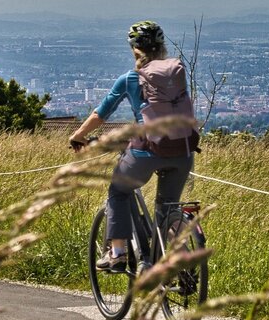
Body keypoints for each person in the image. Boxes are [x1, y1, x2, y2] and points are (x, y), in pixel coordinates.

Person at [69, 20, 196, 270]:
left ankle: (117, 253)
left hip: (146, 150)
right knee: (168, 207)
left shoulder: (130, 78)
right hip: (183, 149)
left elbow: (101, 114)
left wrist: (78, 136)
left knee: (118, 191)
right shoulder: (175, 75)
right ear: (161, 48)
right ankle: (182, 258)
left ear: (134, 50)